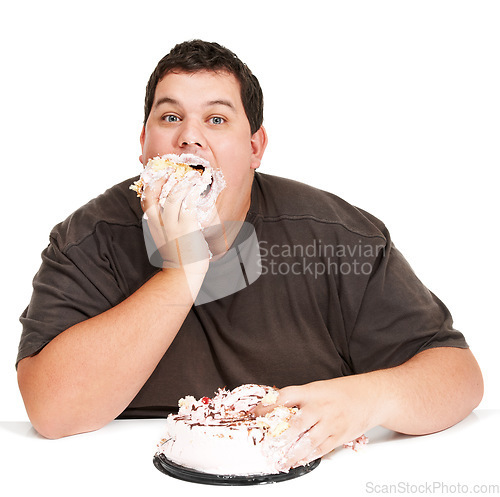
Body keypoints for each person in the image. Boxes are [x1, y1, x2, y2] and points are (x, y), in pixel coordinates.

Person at [17, 40, 483, 468]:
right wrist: (184, 268)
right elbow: (52, 412)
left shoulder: (337, 237)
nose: (189, 138)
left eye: (216, 120)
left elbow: (458, 374)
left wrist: (371, 398)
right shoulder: (87, 239)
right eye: (170, 117)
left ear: (255, 147)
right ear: (144, 146)